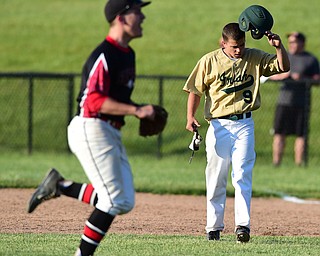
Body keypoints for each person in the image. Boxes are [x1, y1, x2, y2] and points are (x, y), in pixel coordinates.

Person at [27, 0, 155, 255]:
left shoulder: (128, 54)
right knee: (114, 200)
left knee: (125, 201)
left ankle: (61, 186)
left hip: (108, 130)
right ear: (121, 17)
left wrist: (138, 108)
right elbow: (93, 100)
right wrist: (136, 110)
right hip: (90, 127)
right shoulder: (104, 54)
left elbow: (117, 99)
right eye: (137, 11)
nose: (143, 17)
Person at [183, 22, 289, 243]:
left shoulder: (254, 57)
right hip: (218, 125)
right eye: (234, 46)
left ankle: (243, 226)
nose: (238, 50)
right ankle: (213, 228)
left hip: (244, 124)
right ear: (223, 43)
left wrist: (279, 47)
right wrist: (190, 117)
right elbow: (195, 89)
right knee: (216, 177)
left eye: (241, 44)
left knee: (242, 174)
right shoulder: (209, 60)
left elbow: (283, 67)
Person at [271, 32, 320, 167]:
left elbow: (317, 80)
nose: (292, 44)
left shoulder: (310, 60)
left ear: (302, 43)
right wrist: (283, 76)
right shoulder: (284, 57)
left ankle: (299, 164)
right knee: (279, 133)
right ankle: (276, 163)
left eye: (295, 42)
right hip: (284, 102)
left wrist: (302, 78)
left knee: (300, 135)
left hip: (301, 103)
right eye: (290, 42)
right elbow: (270, 74)